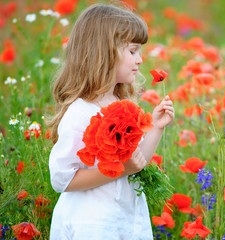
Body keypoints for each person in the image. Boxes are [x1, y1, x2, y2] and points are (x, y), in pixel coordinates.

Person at [47, 3, 174, 239]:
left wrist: (156, 127)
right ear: (104, 52)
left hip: (124, 217)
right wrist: (119, 171)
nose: (140, 60)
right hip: (91, 222)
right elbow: (62, 179)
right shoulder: (80, 113)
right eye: (133, 51)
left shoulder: (123, 105)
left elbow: (137, 162)